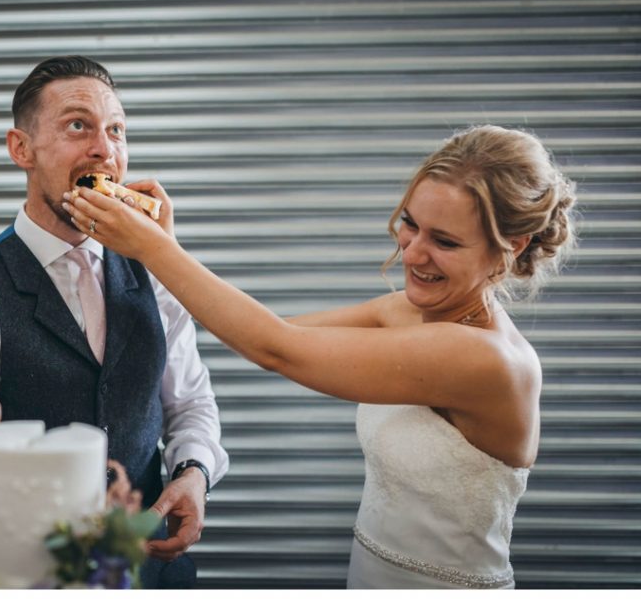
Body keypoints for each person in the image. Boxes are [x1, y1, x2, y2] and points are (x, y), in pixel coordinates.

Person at [64, 125, 576, 589]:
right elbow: (266, 332)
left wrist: (155, 251)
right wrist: (168, 245)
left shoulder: (488, 360)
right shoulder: (408, 313)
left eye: (444, 241)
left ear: (512, 244)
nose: (414, 253)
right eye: (411, 224)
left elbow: (276, 350)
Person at [0, 55, 229, 589]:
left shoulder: (158, 267)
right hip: (23, 576)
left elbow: (190, 402)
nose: (105, 149)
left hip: (150, 571)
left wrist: (194, 474)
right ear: (20, 149)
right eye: (79, 126)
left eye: (116, 130)